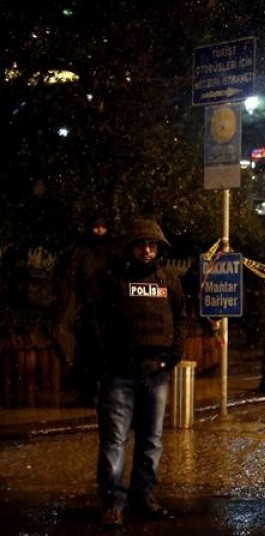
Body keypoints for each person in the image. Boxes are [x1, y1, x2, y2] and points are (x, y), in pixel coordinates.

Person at [80, 218, 186, 527]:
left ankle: (143, 497)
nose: (147, 250)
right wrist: (107, 358)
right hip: (119, 374)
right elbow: (93, 321)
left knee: (151, 441)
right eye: (141, 244)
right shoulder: (109, 279)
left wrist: (172, 357)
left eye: (152, 245)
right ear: (129, 247)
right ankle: (113, 502)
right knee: (115, 442)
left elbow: (180, 319)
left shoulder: (169, 280)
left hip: (157, 374)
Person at [55, 213, 114, 405]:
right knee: (85, 354)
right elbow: (72, 277)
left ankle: (104, 392)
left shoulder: (112, 251)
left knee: (104, 353)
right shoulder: (82, 250)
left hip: (106, 308)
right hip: (85, 309)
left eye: (102, 227)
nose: (99, 231)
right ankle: (86, 393)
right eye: (96, 227)